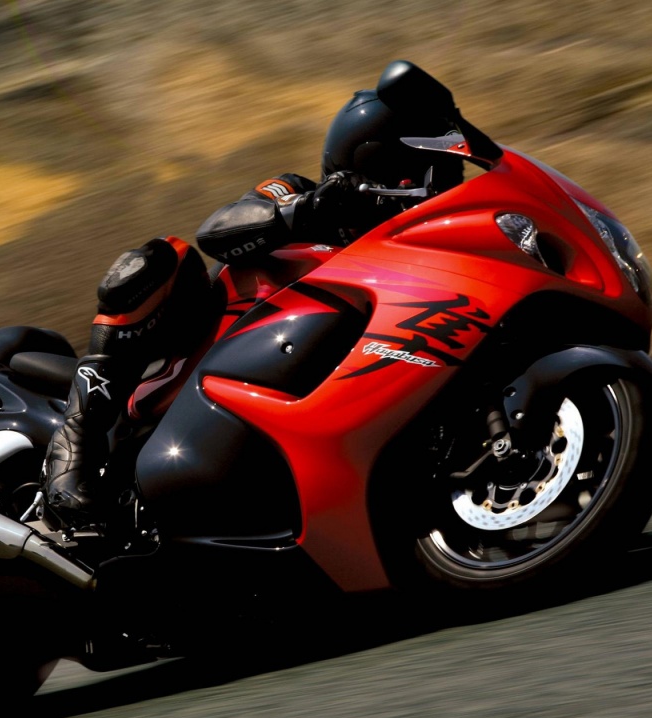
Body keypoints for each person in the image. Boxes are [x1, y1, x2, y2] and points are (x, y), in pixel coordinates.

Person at [40, 67, 468, 532]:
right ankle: (74, 442)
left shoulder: (414, 257)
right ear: (377, 160)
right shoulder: (296, 192)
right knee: (163, 258)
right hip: (191, 367)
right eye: (430, 175)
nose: (441, 189)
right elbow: (217, 232)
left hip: (294, 410)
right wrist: (305, 211)